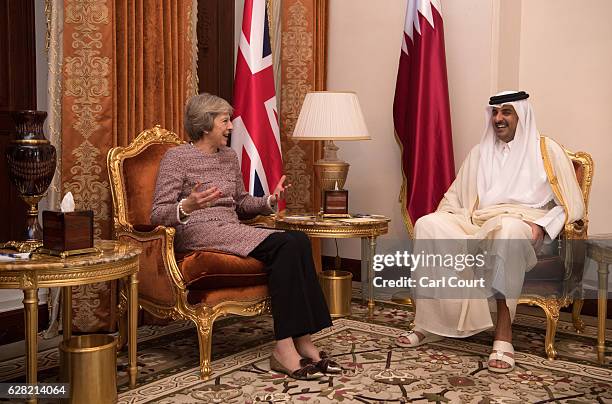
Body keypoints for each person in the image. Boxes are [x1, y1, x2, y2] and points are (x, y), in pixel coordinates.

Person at [151, 93, 340, 380]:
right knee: (287, 243)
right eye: (225, 121)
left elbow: (240, 203)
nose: (230, 126)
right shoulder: (177, 158)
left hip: (231, 228)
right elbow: (157, 213)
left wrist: (268, 202)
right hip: (198, 231)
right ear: (205, 125)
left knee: (298, 240)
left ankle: (304, 341)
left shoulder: (228, 156)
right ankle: (285, 348)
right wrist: (187, 205)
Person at [395, 91, 585, 373]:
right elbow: (455, 198)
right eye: (495, 113)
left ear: (522, 115)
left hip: (522, 224)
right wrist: (447, 220)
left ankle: (503, 335)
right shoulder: (480, 152)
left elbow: (573, 205)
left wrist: (542, 227)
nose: (499, 119)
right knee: (429, 224)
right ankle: (430, 324)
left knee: (506, 230)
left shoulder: (546, 151)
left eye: (506, 112)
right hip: (478, 221)